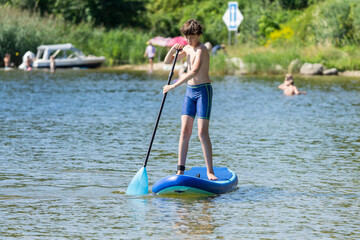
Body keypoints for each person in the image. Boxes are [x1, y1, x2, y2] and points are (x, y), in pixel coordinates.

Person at [163, 19, 217, 180]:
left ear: (199, 35)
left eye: (192, 37)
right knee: (185, 131)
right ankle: (180, 170)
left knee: (202, 132)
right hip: (190, 92)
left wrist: (173, 86)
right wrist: (173, 49)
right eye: (186, 37)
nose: (189, 41)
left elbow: (194, 71)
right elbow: (167, 61)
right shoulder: (186, 48)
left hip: (203, 91)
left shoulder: (202, 50)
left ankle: (210, 171)